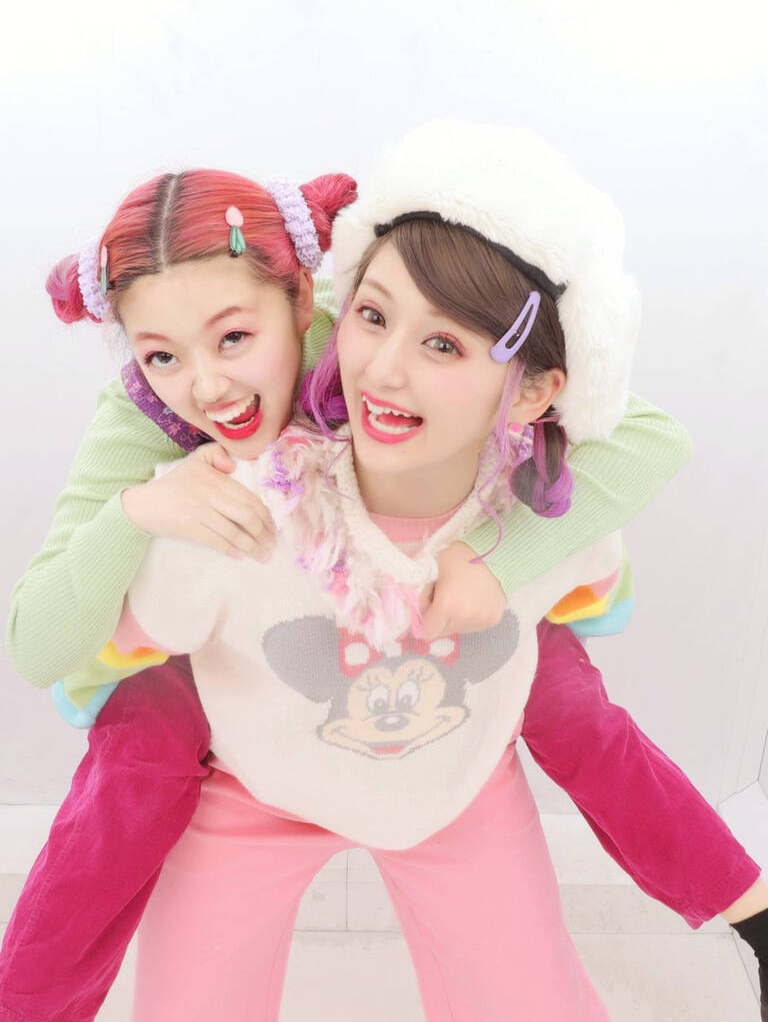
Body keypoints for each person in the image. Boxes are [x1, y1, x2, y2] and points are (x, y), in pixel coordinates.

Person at [0, 135, 762, 1020]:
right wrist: (138, 512)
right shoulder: (139, 417)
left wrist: (497, 560)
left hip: (440, 582)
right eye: (161, 356)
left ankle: (748, 905)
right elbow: (39, 641)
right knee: (136, 762)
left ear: (304, 301)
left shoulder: (359, 333)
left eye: (237, 337)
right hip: (250, 618)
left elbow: (649, 433)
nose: (207, 388)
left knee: (569, 710)